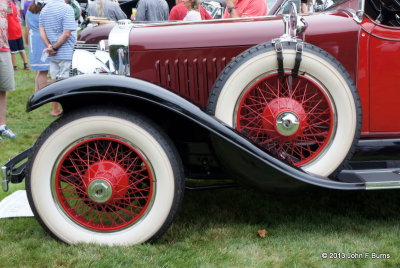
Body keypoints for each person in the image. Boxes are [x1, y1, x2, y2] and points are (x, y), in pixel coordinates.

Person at [39, 0, 77, 116]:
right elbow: (66, 33)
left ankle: (55, 109)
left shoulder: (44, 9)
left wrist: (49, 46)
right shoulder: (67, 8)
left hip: (51, 52)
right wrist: (54, 47)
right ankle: (68, 108)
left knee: (54, 80)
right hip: (65, 51)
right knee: (67, 81)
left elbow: (41, 31)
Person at [0, 0, 17, 140]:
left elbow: (13, 16)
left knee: (3, 88)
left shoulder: (7, 2)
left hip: (4, 47)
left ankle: (2, 126)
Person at [26, 0, 49, 91]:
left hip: (33, 38)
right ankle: (42, 94)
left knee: (39, 70)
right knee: (43, 70)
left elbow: (27, 27)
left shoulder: (29, 10)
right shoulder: (44, 11)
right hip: (42, 39)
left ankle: (37, 92)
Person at [7, 0, 30, 70]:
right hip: (17, 28)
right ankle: (26, 64)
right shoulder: (14, 4)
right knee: (21, 49)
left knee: (12, 51)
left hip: (10, 30)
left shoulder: (5, 4)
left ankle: (14, 66)